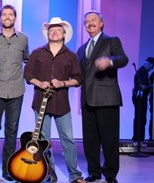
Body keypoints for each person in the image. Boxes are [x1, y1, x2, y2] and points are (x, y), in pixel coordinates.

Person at [24, 17, 86, 183]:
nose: (55, 32)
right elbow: (28, 74)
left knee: (68, 140)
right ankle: (49, 174)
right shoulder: (37, 52)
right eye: (52, 29)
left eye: (58, 29)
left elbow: (78, 78)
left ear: (64, 33)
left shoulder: (71, 56)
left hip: (61, 104)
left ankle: (74, 175)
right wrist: (39, 83)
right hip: (40, 103)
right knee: (44, 142)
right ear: (48, 33)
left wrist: (62, 83)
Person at [77, 11, 128, 183]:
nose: (89, 23)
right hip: (87, 100)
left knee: (109, 139)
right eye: (86, 22)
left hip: (107, 97)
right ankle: (94, 172)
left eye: (93, 20)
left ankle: (110, 174)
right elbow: (78, 74)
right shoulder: (82, 49)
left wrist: (110, 61)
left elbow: (123, 59)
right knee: (90, 140)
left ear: (101, 24)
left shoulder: (111, 40)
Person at [0, 4, 29, 182]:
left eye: (10, 14)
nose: (7, 17)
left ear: (15, 18)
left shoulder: (23, 39)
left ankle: (8, 170)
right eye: (4, 14)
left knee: (11, 131)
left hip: (17, 91)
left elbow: (28, 59)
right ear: (0, 18)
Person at [132, 57, 154, 142]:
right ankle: (138, 139)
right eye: (152, 67)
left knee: (140, 118)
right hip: (140, 98)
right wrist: (151, 86)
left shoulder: (143, 72)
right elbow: (143, 87)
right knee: (140, 118)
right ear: (149, 64)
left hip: (140, 97)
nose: (151, 69)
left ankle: (138, 138)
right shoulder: (142, 72)